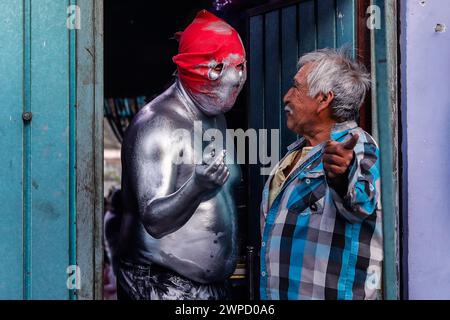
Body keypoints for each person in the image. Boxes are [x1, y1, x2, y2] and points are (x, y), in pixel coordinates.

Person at [118, 10, 246, 300]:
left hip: (210, 288)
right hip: (162, 285)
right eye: (230, 68)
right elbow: (154, 221)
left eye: (242, 67)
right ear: (207, 70)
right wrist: (196, 187)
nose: (238, 77)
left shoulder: (216, 116)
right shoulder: (156, 124)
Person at [260, 48, 382, 300]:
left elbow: (359, 202)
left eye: (296, 88)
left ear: (324, 99)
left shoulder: (359, 147)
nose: (286, 97)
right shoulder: (296, 153)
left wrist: (341, 177)